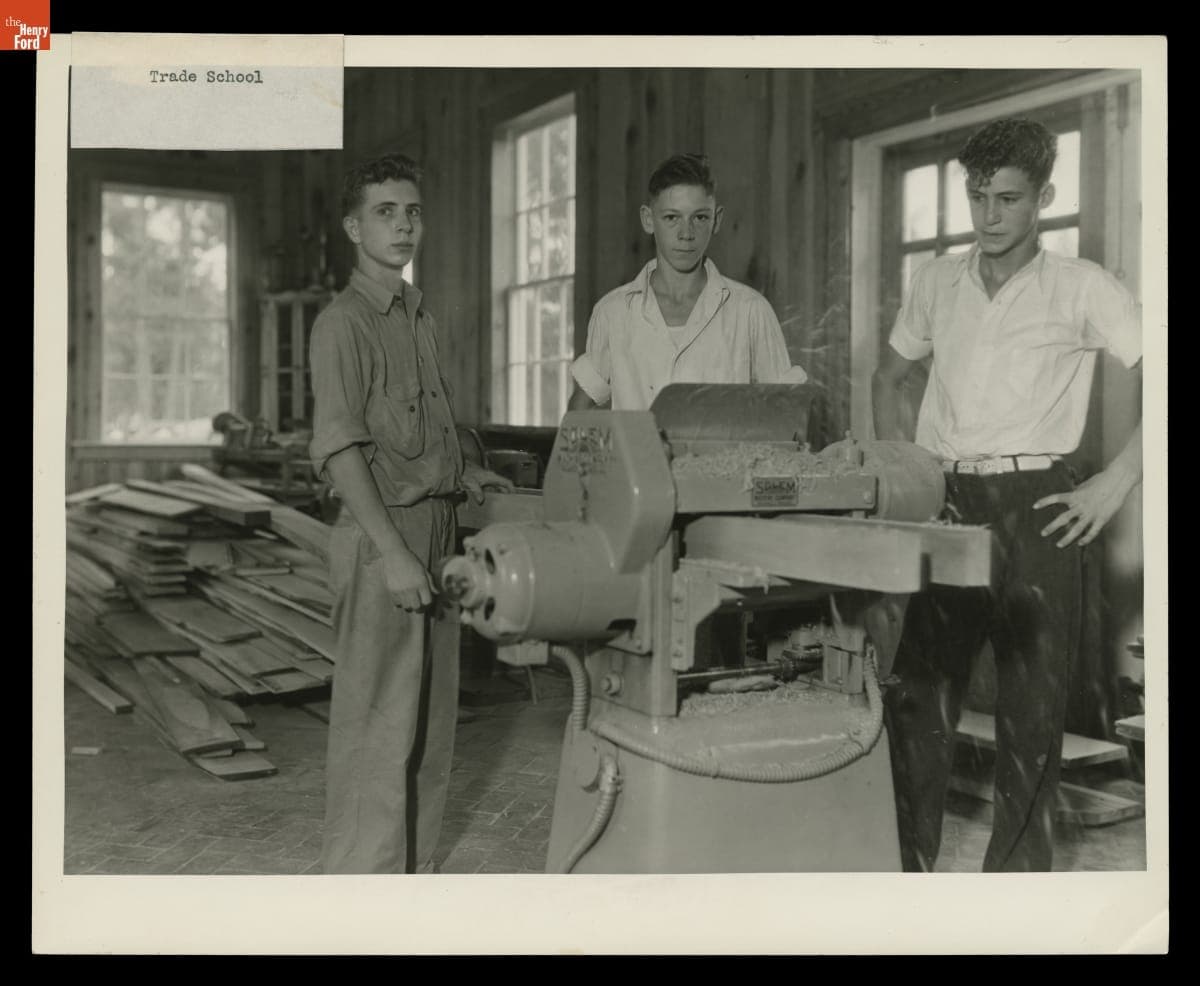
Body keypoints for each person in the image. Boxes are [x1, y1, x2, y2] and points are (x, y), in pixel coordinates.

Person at [872, 118, 1143, 872]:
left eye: (1009, 199)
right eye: (977, 197)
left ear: (1044, 198)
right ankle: (905, 879)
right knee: (919, 703)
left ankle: (1014, 901)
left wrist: (1115, 480)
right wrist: (901, 472)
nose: (989, 217)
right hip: (949, 504)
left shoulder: (1083, 287)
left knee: (1032, 717)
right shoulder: (936, 283)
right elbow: (888, 376)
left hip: (1042, 509)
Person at [308, 153, 512, 874]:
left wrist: (466, 469)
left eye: (412, 212)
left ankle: (412, 889)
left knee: (427, 729)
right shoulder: (343, 324)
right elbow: (339, 452)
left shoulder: (417, 315)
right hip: (380, 542)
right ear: (353, 226)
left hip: (436, 535)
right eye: (385, 212)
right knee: (376, 733)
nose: (402, 225)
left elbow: (420, 430)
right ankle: (358, 904)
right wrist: (393, 552)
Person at [569, 152, 807, 411]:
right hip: (638, 454)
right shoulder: (613, 312)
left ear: (716, 220)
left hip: (722, 454)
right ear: (648, 220)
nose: (686, 234)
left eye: (700, 217)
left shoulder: (750, 309)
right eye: (672, 218)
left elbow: (786, 412)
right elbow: (580, 410)